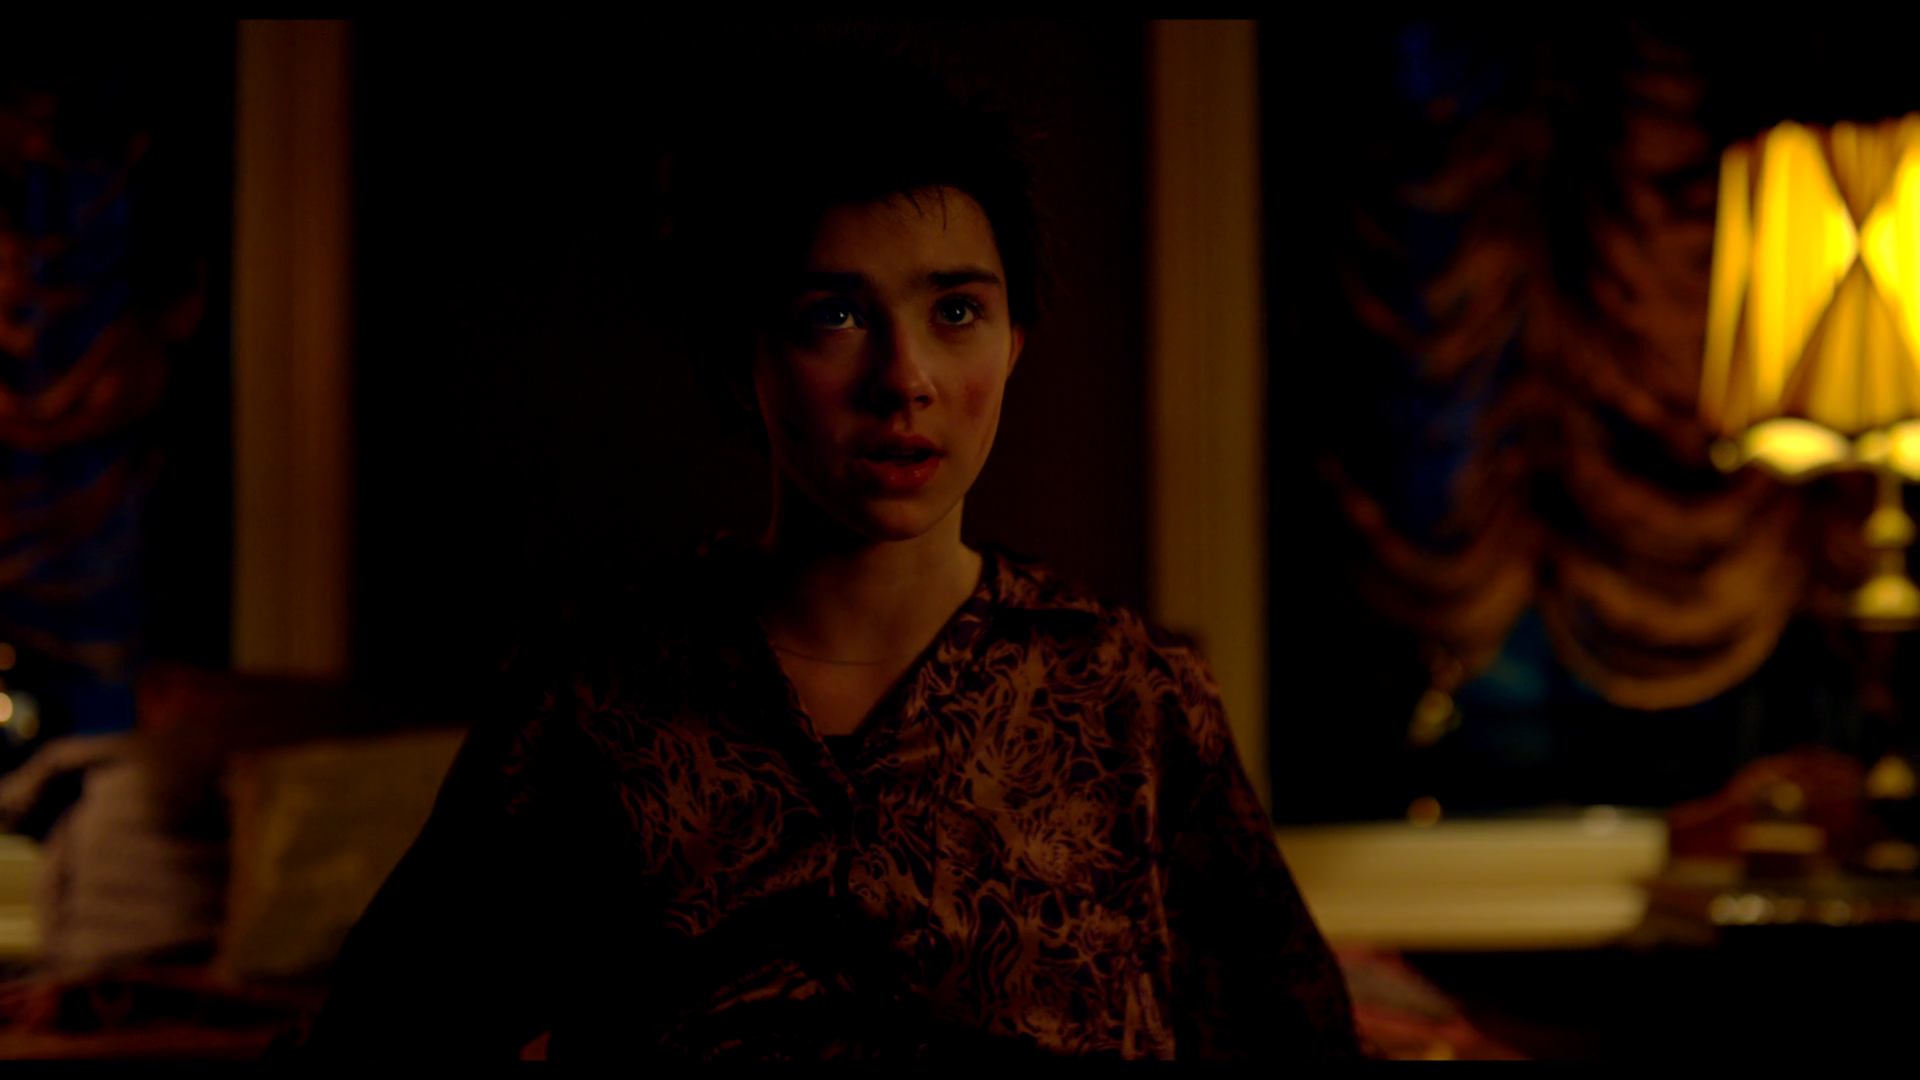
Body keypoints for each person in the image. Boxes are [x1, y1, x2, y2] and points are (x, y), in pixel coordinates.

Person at [297, 42, 1357, 1061]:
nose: (906, 379)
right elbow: (385, 1033)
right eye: (837, 315)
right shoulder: (594, 698)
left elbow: (1291, 1038)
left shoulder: (1129, 695)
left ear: (1013, 344)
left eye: (956, 311)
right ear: (740, 357)